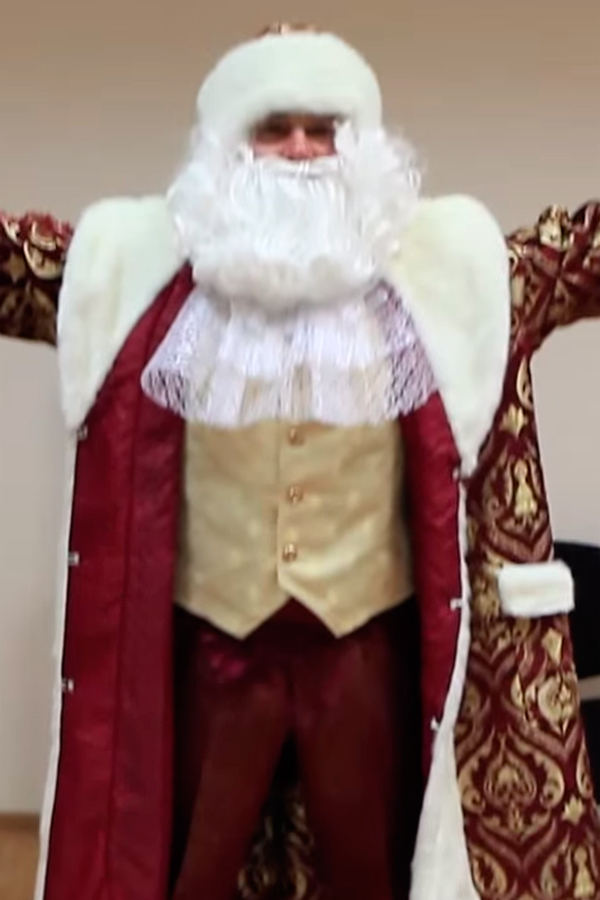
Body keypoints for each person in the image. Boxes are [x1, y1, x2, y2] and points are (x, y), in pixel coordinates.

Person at [1, 23, 599, 900]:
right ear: (226, 147)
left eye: (323, 129)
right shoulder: (132, 278)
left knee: (375, 872)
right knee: (188, 872)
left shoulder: (453, 278)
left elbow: (585, 255)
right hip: (213, 654)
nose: (299, 149)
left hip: (365, 651)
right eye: (273, 127)